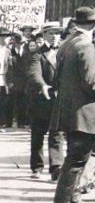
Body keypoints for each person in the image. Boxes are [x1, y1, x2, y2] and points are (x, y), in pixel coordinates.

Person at [50, 7, 95, 203]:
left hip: (70, 110)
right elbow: (91, 83)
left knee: (75, 158)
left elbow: (57, 79)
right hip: (84, 112)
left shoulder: (68, 43)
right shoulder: (86, 46)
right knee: (76, 160)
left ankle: (73, 201)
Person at [25, 22, 66, 181]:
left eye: (57, 33)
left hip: (59, 99)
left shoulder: (65, 51)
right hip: (40, 100)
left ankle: (56, 167)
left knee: (57, 134)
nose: (55, 36)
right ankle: (37, 167)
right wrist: (42, 85)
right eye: (51, 33)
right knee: (38, 135)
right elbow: (34, 72)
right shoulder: (37, 53)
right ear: (44, 35)